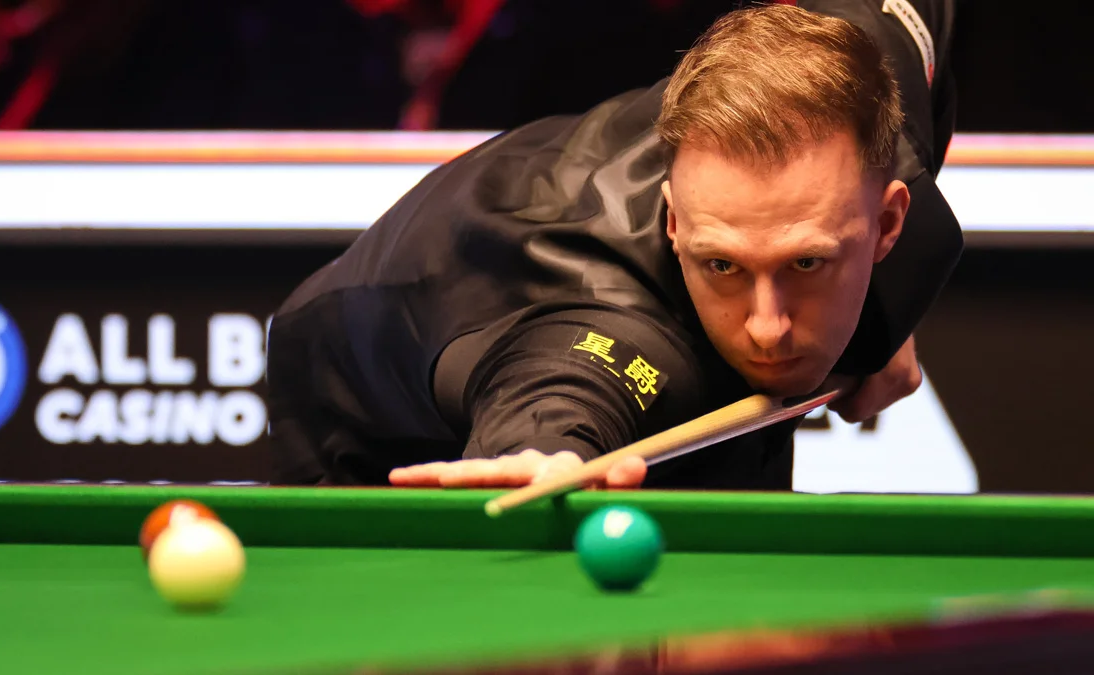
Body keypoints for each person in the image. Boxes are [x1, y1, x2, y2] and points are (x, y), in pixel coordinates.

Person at [265, 0, 962, 490]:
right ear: (673, 222)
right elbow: (558, 397)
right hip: (369, 412)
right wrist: (544, 454)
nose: (767, 327)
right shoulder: (607, 314)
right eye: (722, 264)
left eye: (807, 262)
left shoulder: (876, 75)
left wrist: (881, 312)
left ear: (887, 223)